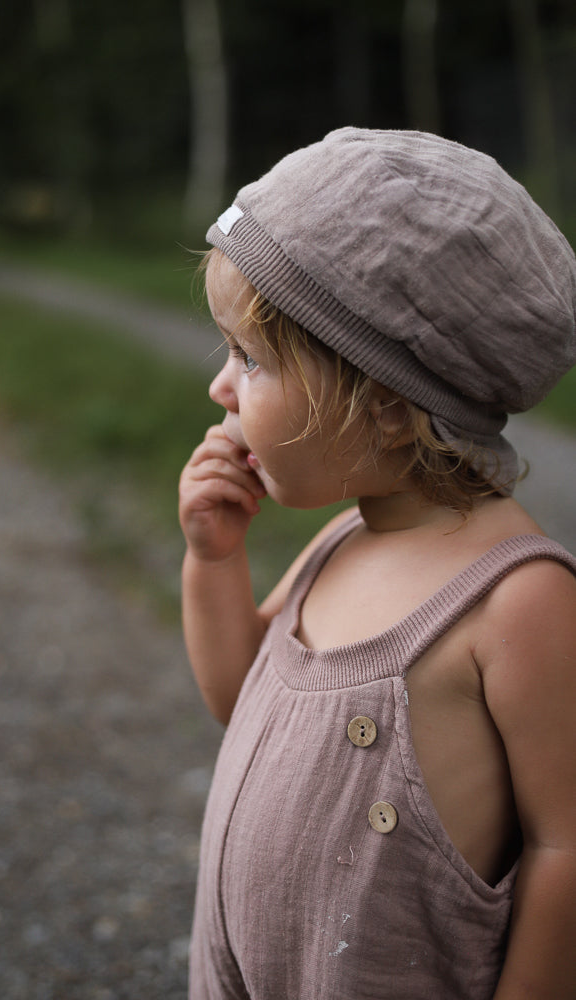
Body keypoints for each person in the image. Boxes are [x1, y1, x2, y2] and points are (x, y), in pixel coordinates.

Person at [178, 128, 576, 999]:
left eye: (249, 358)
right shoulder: (341, 543)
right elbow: (234, 694)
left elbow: (564, 846)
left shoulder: (517, 599)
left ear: (388, 408)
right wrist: (213, 561)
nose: (220, 388)